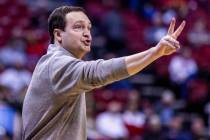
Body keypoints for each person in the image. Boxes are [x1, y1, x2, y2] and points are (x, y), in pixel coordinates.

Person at [22, 5, 185, 140]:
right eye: (78, 27)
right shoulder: (55, 63)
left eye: (89, 28)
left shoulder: (59, 64)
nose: (87, 33)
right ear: (58, 35)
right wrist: (154, 52)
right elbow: (98, 71)